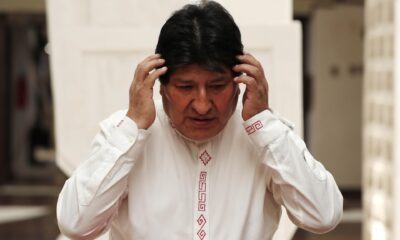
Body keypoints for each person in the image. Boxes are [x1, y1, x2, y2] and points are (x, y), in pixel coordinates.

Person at [57, 2, 343, 240]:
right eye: (185, 88)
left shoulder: (264, 135)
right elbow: (76, 224)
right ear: (160, 84)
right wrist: (132, 129)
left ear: (239, 81)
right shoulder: (126, 133)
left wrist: (264, 123)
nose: (203, 105)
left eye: (217, 86)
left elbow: (324, 215)